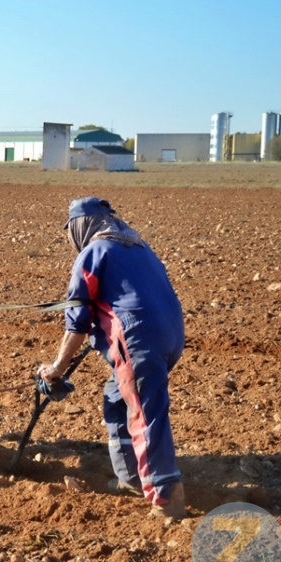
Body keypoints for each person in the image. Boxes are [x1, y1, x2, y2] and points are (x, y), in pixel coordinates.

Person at [39, 197, 186, 519]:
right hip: (171, 335)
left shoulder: (93, 253)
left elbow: (77, 321)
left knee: (145, 413)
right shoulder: (139, 247)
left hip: (137, 340)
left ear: (80, 226)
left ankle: (167, 497)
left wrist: (57, 368)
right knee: (116, 397)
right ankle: (131, 478)